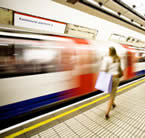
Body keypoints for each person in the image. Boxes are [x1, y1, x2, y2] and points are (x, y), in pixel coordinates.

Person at [101, 47, 122, 120]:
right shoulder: (118, 58)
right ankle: (113, 103)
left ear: (110, 52)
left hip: (108, 78)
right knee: (112, 94)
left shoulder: (106, 59)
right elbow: (119, 69)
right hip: (116, 78)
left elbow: (104, 69)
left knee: (110, 94)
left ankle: (107, 112)